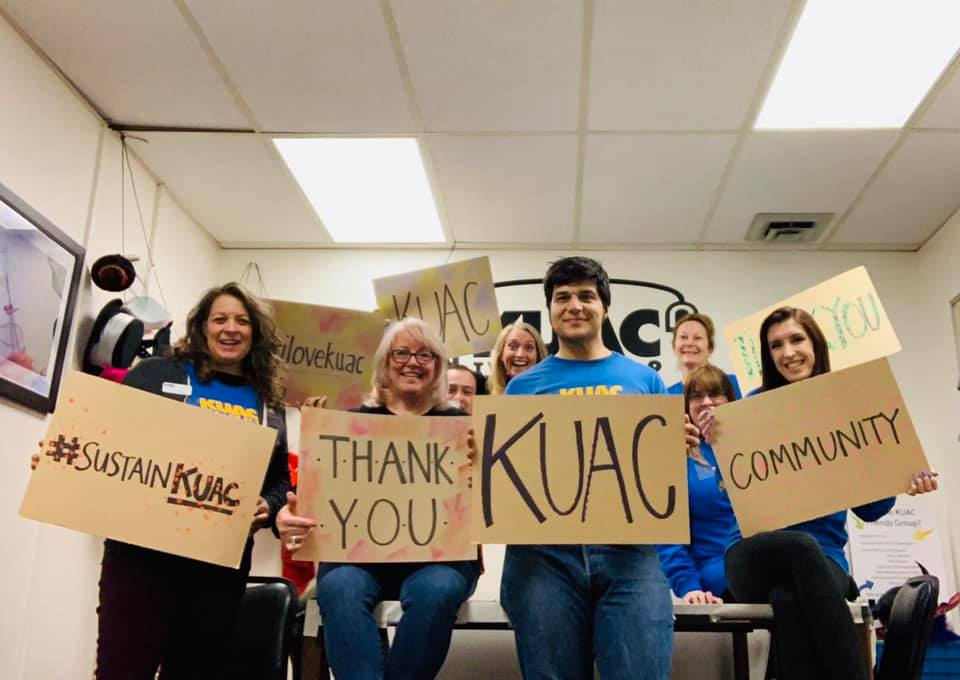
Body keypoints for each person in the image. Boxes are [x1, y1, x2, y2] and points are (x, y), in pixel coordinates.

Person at [41, 283, 292, 679]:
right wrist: (62, 459)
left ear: (256, 333)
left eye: (242, 321)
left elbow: (280, 479)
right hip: (141, 558)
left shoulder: (267, 403)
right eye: (220, 319)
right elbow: (105, 437)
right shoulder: (157, 373)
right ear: (202, 327)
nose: (231, 328)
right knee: (123, 670)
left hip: (218, 566)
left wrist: (270, 505)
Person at [500, 256, 698, 680]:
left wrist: (676, 451)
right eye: (562, 297)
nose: (574, 305)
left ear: (605, 308)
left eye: (586, 296)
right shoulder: (522, 387)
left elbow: (660, 482)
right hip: (543, 557)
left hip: (630, 554)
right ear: (550, 311)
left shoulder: (644, 381)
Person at [722, 306, 938, 680]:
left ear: (816, 344)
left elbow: (871, 510)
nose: (788, 352)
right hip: (753, 553)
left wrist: (902, 482)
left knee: (788, 600)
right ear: (767, 355)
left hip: (825, 562)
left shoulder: (845, 405)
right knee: (800, 544)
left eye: (796, 339)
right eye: (776, 345)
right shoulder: (750, 409)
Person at [277, 318, 480, 680]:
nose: (412, 362)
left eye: (425, 354)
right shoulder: (347, 423)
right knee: (340, 588)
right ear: (385, 364)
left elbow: (482, 500)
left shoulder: (462, 426)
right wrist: (291, 518)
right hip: (359, 556)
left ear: (438, 367)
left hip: (439, 559)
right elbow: (317, 499)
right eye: (400, 353)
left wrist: (479, 462)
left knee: (438, 591)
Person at [657, 364, 738, 605]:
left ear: (730, 399)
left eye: (715, 394)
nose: (706, 402)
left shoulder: (752, 447)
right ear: (686, 407)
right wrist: (688, 586)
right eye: (696, 396)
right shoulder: (676, 458)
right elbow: (667, 536)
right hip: (716, 573)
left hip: (761, 563)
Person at [666, 312, 742, 398]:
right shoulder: (667, 395)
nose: (690, 343)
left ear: (710, 348)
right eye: (683, 337)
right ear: (674, 347)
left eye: (697, 338)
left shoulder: (735, 384)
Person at [488, 320, 547, 395]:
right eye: (513, 346)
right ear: (501, 354)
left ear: (538, 356)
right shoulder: (486, 401)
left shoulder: (553, 395)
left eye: (529, 347)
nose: (520, 354)